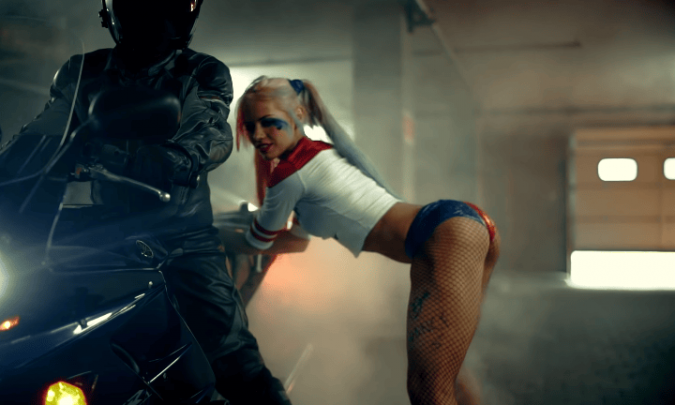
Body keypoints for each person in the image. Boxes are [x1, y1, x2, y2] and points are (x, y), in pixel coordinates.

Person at [0, 2, 292, 404]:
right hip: (104, 235)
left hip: (179, 238)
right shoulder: (83, 72)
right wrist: (11, 162)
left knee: (232, 358)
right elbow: (44, 131)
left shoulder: (200, 71)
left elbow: (209, 131)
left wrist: (175, 158)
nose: (150, 15)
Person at [221, 76, 501, 405]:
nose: (257, 135)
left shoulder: (288, 175)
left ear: (298, 113)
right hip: (465, 222)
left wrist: (206, 231)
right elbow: (297, 241)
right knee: (451, 372)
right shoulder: (322, 155)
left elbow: (256, 241)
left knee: (427, 391)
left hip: (444, 236)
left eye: (269, 122)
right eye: (250, 126)